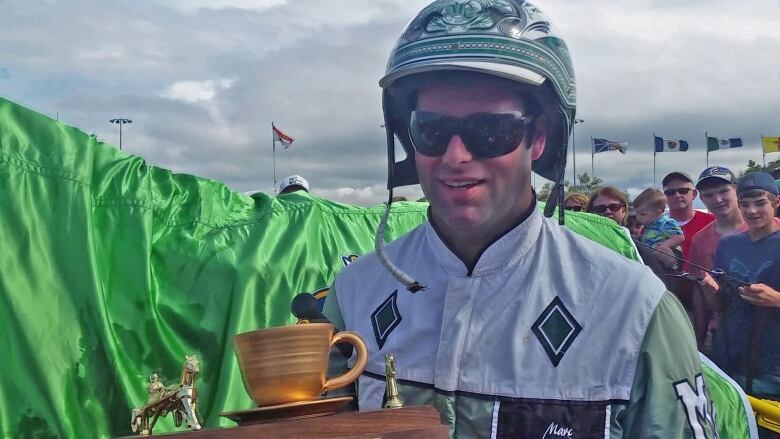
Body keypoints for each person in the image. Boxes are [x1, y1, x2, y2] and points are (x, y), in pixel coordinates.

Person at [323, 1, 716, 436]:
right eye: (431, 130)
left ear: (540, 138)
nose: (456, 156)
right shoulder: (355, 293)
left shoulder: (634, 309)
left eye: (491, 130)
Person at [700, 172, 780, 417]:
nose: (752, 211)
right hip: (729, 360)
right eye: (744, 204)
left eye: (760, 203)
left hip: (773, 369)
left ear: (776, 203)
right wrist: (710, 291)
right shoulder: (727, 244)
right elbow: (721, 306)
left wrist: (776, 300)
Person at [688, 167, 745, 348]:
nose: (718, 199)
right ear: (702, 198)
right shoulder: (700, 240)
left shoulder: (773, 228)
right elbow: (699, 292)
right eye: (709, 195)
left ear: (737, 191)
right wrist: (699, 340)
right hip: (722, 334)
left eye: (724, 191)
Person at [662, 171, 715, 262]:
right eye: (670, 192)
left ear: (694, 194)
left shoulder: (713, 222)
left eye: (683, 191)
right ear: (664, 197)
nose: (677, 195)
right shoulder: (653, 226)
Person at [633, 188, 684, 265]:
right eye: (637, 214)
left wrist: (665, 245)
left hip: (667, 259)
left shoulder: (667, 223)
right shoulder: (649, 225)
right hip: (652, 258)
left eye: (642, 214)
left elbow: (679, 237)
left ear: (658, 213)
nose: (638, 217)